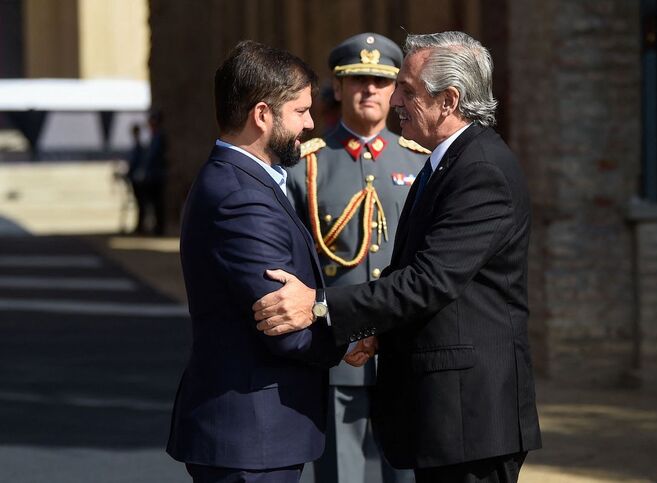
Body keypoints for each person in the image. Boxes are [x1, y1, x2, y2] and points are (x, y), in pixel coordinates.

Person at [253, 31, 542, 482]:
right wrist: (375, 330)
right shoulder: (448, 161)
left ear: (448, 101)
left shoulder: (479, 170)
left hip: (470, 416)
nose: (395, 100)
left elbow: (428, 281)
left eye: (406, 89)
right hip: (441, 407)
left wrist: (320, 306)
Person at [166, 40, 346, 483]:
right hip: (252, 434)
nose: (310, 123)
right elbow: (283, 325)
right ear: (262, 114)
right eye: (301, 111)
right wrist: (346, 332)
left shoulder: (243, 182)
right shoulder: (240, 197)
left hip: (254, 432)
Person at [286, 33, 425, 483]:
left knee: (405, 472)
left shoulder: (419, 163)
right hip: (337, 347)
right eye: (357, 80)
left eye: (380, 82)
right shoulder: (308, 166)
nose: (369, 90)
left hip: (404, 347)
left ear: (395, 90)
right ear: (338, 87)